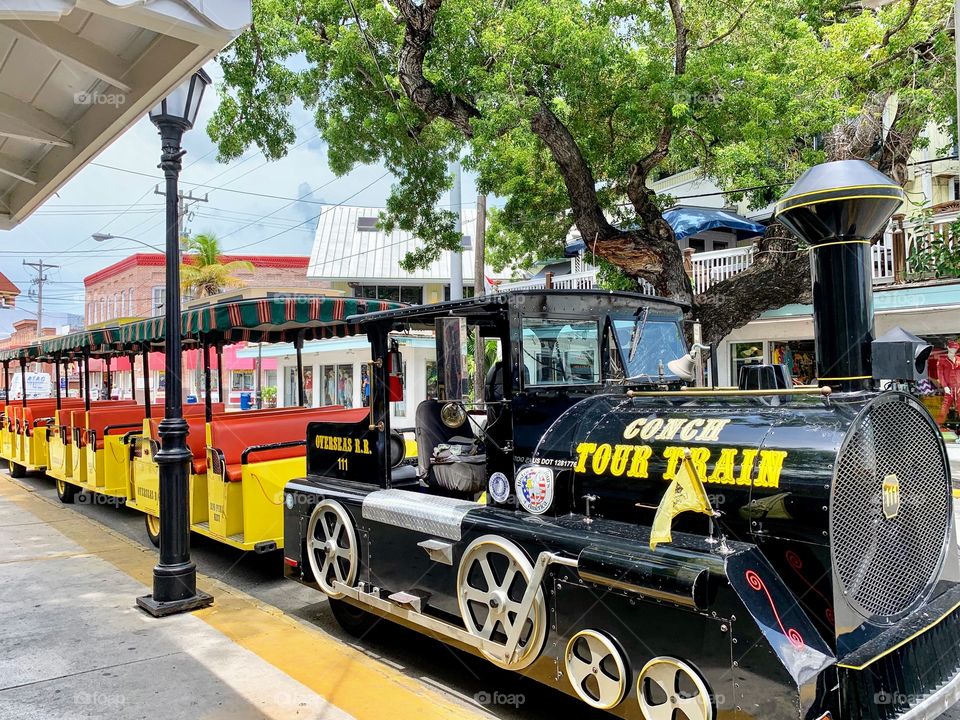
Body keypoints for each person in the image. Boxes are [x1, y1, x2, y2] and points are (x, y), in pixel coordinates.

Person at [936, 340, 960, 428]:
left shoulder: (959, 359)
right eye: (952, 348)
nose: (954, 350)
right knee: (945, 406)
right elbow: (940, 374)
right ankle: (938, 425)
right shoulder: (942, 360)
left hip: (958, 387)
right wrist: (945, 386)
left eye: (955, 348)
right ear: (948, 348)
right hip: (949, 387)